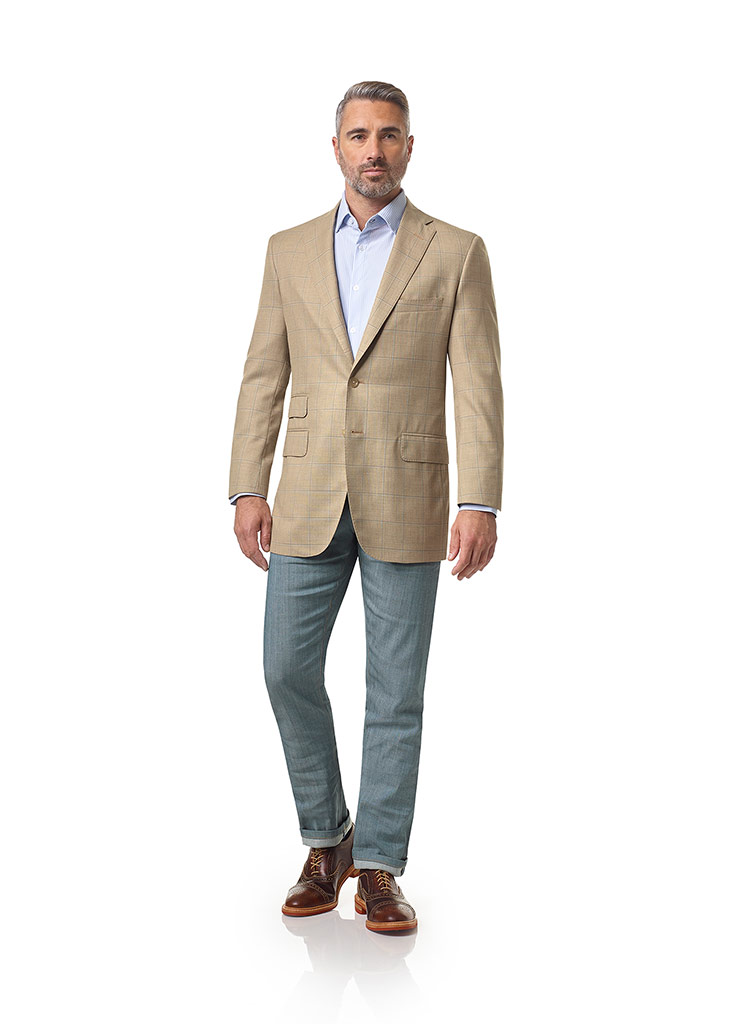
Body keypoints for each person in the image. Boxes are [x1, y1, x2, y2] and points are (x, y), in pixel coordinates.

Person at [229, 81, 503, 934]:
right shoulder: (288, 250)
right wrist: (247, 483)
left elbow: (479, 383)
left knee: (395, 691)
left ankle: (379, 864)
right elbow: (264, 373)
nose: (373, 150)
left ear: (409, 146)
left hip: (409, 491)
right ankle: (329, 836)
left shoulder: (455, 251)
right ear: (337, 147)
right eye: (358, 135)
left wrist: (480, 498)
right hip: (307, 491)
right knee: (284, 668)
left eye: (389, 135)